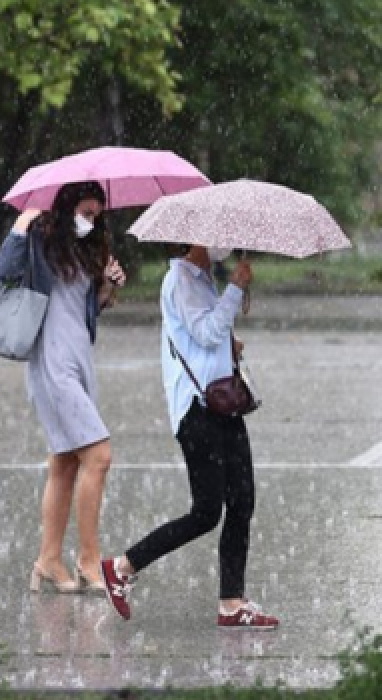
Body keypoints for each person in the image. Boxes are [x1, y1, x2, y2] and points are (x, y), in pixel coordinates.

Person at [99, 244, 280, 629]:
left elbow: (204, 340)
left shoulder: (203, 279)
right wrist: (235, 289)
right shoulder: (180, 280)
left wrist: (231, 344)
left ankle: (232, 603)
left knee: (242, 500)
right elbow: (207, 333)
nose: (225, 246)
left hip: (223, 403)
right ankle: (123, 566)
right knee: (206, 512)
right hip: (198, 412)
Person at [0, 181, 127, 595]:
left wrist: (108, 286)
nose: (91, 221)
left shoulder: (89, 251)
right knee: (99, 456)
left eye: (96, 215)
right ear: (67, 209)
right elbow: (2, 274)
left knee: (66, 462)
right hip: (51, 360)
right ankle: (89, 559)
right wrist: (20, 227)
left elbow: (85, 311)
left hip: (80, 358)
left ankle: (48, 560)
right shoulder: (40, 242)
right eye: (85, 213)